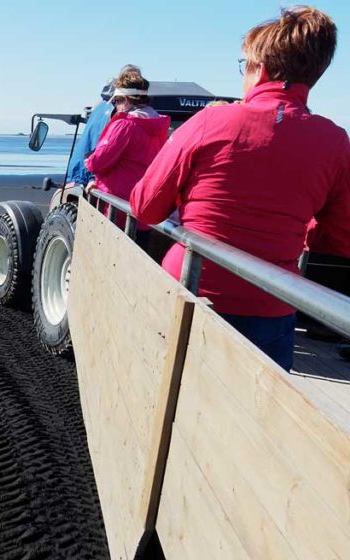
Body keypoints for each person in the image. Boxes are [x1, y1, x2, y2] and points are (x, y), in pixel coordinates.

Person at [130, 6, 350, 372]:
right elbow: (342, 237)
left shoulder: (211, 121)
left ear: (259, 69)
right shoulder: (335, 141)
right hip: (272, 306)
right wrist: (296, 231)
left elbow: (145, 207)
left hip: (191, 290)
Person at [84, 68, 171, 249]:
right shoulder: (159, 128)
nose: (116, 106)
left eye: (116, 101)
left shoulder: (125, 125)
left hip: (117, 212)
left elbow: (98, 162)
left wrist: (89, 163)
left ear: (126, 100)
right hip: (141, 211)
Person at [65, 66, 143, 186]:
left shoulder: (101, 105)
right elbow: (100, 146)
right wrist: (93, 178)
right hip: (90, 176)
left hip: (80, 170)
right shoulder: (117, 111)